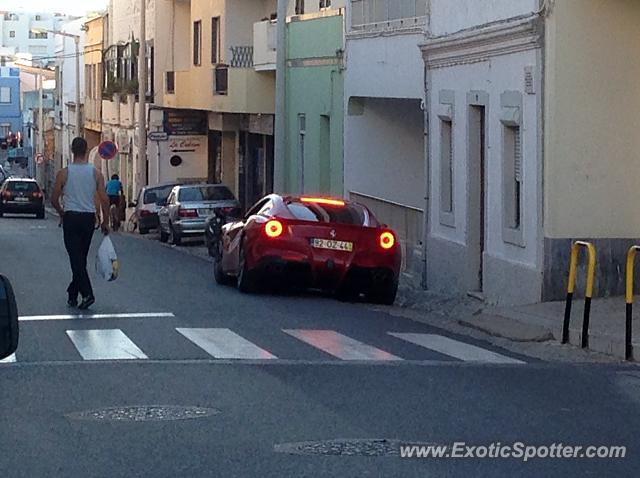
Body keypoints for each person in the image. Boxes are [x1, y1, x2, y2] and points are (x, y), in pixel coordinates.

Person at [51, 137, 110, 310]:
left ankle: (87, 294)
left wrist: (62, 213)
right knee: (80, 258)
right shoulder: (96, 173)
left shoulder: (64, 173)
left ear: (72, 150)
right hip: (88, 219)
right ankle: (72, 293)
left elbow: (54, 199)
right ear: (86, 151)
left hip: (71, 217)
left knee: (76, 259)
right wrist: (106, 221)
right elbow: (105, 200)